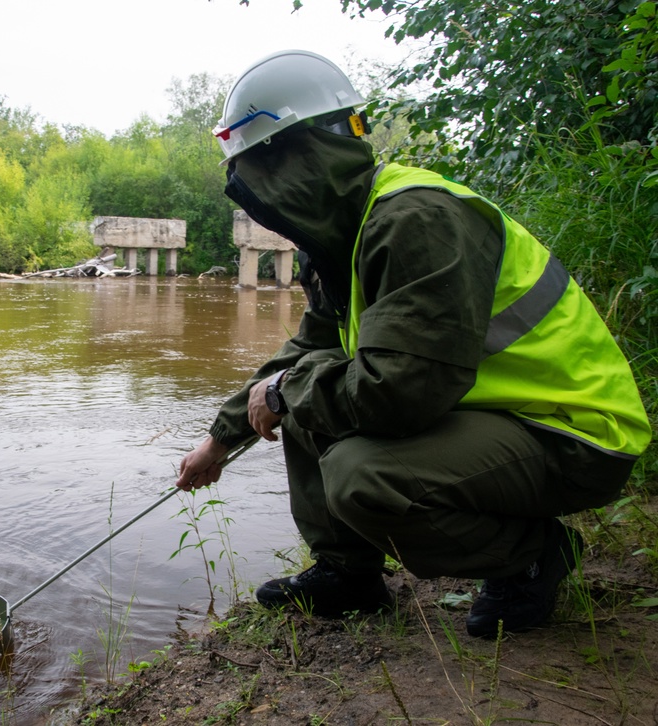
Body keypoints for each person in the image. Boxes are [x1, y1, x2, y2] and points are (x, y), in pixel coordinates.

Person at [175, 50, 652, 637]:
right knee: (303, 390)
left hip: (572, 436)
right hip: (494, 419)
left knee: (359, 471)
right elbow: (307, 350)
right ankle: (349, 574)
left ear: (294, 159)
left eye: (259, 175)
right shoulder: (342, 238)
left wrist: (284, 391)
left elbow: (400, 393)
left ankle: (533, 555)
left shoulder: (416, 219)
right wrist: (220, 440)